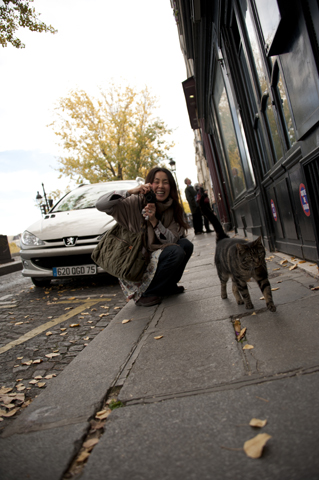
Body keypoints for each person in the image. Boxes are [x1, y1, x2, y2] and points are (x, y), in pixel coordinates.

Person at [96, 167, 194, 307]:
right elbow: (100, 204)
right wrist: (130, 191)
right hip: (133, 260)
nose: (161, 186)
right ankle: (145, 293)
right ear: (149, 185)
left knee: (185, 245)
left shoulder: (171, 208)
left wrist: (154, 221)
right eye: (156, 182)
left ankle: (167, 285)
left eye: (165, 182)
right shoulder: (134, 202)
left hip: (152, 258)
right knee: (175, 251)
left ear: (170, 186)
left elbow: (172, 240)